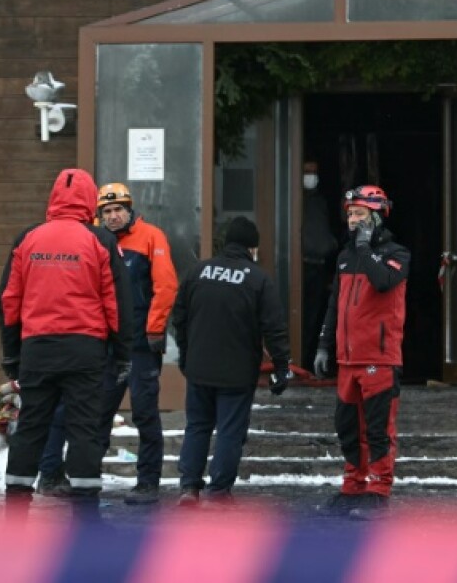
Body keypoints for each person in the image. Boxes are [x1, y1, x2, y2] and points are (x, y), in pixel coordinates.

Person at [0, 168, 133, 517]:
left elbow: (9, 300)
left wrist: (12, 355)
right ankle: (85, 516)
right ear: (90, 201)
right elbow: (117, 302)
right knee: (84, 428)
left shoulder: (27, 239)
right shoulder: (101, 240)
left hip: (37, 349)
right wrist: (122, 353)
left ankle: (15, 510)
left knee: (31, 426)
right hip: (85, 349)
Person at [36, 182, 178, 505]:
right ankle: (86, 479)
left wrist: (155, 330)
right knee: (96, 414)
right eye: (107, 211)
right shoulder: (93, 240)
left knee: (145, 413)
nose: (113, 216)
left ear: (130, 210)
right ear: (98, 215)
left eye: (119, 210)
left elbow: (166, 286)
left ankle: (148, 482)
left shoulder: (151, 237)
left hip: (141, 345)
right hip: (104, 346)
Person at [172, 216, 291, 505]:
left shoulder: (197, 272)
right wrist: (281, 367)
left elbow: (179, 319)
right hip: (237, 373)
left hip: (199, 369)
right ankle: (219, 491)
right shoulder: (257, 279)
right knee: (229, 431)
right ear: (252, 248)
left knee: (197, 426)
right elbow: (274, 328)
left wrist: (187, 357)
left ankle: (189, 487)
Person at [314, 185, 410, 515]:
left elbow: (383, 282)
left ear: (376, 216)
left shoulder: (397, 254)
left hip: (379, 357)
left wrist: (367, 249)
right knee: (347, 427)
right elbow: (334, 305)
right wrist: (324, 346)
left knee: (378, 429)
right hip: (347, 358)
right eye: (350, 214)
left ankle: (378, 490)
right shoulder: (345, 257)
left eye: (359, 214)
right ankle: (353, 486)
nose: (352, 220)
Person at [301, 160, 338, 374]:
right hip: (299, 267)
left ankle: (308, 363)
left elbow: (328, 233)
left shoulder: (322, 202)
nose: (310, 176)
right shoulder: (294, 199)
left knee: (315, 318)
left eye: (314, 172)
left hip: (319, 266)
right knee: (300, 317)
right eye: (306, 172)